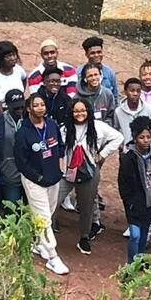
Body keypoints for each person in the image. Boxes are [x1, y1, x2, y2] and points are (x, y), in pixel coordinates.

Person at [14, 92, 69, 276]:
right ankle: (53, 257)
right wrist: (37, 178)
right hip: (34, 181)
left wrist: (60, 166)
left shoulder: (52, 125)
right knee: (44, 218)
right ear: (29, 108)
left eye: (42, 105)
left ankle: (38, 243)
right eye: (35, 105)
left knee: (48, 212)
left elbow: (60, 146)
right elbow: (21, 162)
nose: (40, 108)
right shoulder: (23, 132)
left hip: (53, 177)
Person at [61, 96, 123, 254]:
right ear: (71, 112)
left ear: (88, 111)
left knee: (86, 206)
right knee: (54, 200)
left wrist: (102, 154)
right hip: (68, 171)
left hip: (89, 171)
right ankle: (46, 234)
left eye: (82, 110)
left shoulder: (98, 126)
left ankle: (84, 237)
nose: (79, 114)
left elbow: (118, 137)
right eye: (76, 111)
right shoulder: (65, 128)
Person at [118, 116, 151, 264]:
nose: (145, 140)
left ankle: (139, 259)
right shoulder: (128, 158)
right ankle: (131, 263)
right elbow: (123, 184)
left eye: (148, 137)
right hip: (134, 205)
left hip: (150, 203)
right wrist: (129, 202)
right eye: (141, 137)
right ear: (134, 138)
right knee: (135, 235)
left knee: (144, 234)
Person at [0, 89, 26, 211]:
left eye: (22, 106)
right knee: (12, 209)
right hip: (9, 174)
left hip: (29, 173)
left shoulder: (29, 120)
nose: (20, 110)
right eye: (16, 107)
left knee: (29, 210)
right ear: (7, 106)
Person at [114, 77, 151, 143]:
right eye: (132, 91)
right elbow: (116, 130)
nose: (135, 94)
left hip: (146, 149)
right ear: (125, 92)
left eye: (138, 91)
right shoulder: (118, 111)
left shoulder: (150, 110)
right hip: (126, 150)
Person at [0, 41, 27, 109]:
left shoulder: (19, 70)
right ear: (0, 59)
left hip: (21, 108)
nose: (13, 58)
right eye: (8, 56)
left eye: (14, 55)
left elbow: (24, 79)